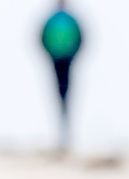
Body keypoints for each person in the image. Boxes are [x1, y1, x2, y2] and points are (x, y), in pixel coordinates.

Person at [41, 0, 83, 149]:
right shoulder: (56, 20)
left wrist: (72, 55)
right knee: (61, 91)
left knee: (64, 91)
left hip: (65, 59)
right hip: (59, 59)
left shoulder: (65, 20)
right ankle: (62, 129)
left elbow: (80, 39)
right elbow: (43, 38)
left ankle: (66, 130)